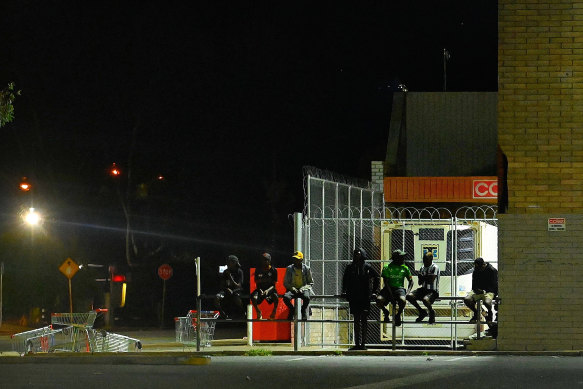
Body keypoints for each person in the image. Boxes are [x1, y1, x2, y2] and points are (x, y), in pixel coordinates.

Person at [342, 248, 380, 350]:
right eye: (355, 254)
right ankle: (357, 344)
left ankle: (363, 344)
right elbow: (345, 280)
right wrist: (344, 291)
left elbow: (377, 277)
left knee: (364, 320)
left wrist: (374, 292)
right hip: (354, 297)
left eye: (358, 254)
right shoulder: (350, 267)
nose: (356, 256)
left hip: (364, 297)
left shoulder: (367, 267)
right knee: (356, 320)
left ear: (362, 255)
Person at [376, 249, 413, 327]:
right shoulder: (387, 267)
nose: (403, 259)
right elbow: (386, 282)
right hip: (388, 288)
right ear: (395, 258)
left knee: (403, 300)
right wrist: (391, 296)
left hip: (399, 289)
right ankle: (385, 312)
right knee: (379, 300)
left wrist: (407, 293)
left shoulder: (405, 268)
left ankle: (398, 315)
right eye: (401, 257)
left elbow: (411, 282)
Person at [406, 251, 440, 324]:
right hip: (423, 289)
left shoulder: (435, 267)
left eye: (426, 260)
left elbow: (431, 280)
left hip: (432, 291)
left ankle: (431, 312)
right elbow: (420, 283)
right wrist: (422, 278)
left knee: (425, 300)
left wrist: (423, 277)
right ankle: (422, 311)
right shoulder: (422, 267)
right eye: (424, 260)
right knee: (409, 296)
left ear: (431, 259)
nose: (424, 262)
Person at [464, 257, 498, 323]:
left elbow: (495, 285)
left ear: (483, 265)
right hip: (478, 291)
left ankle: (489, 314)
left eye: (479, 268)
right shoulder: (476, 270)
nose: (478, 269)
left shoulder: (492, 270)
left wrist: (489, 293)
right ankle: (477, 313)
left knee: (487, 302)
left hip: (489, 291)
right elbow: (473, 284)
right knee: (467, 299)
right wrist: (476, 289)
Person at [283, 251, 314, 321]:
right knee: (286, 297)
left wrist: (303, 288)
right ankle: (292, 310)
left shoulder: (306, 269)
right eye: (294, 259)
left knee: (306, 297)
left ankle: (303, 310)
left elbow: (310, 283)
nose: (295, 261)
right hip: (293, 289)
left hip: (303, 289)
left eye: (297, 259)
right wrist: (292, 288)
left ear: (301, 260)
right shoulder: (289, 268)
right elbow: (286, 282)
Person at [251, 252, 279, 320]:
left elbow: (273, 285)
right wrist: (260, 290)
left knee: (275, 296)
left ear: (269, 261)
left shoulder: (273, 270)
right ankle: (258, 311)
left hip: (270, 289)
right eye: (263, 260)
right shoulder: (258, 270)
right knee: (253, 297)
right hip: (260, 289)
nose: (264, 262)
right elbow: (257, 283)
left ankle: (274, 311)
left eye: (266, 260)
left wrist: (267, 291)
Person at [215, 255, 244, 319]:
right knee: (217, 298)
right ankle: (222, 314)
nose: (227, 263)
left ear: (234, 262)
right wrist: (227, 288)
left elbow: (239, 285)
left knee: (236, 299)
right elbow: (222, 285)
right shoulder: (225, 272)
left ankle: (242, 313)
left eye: (229, 262)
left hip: (236, 290)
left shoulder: (239, 271)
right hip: (226, 290)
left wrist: (230, 277)